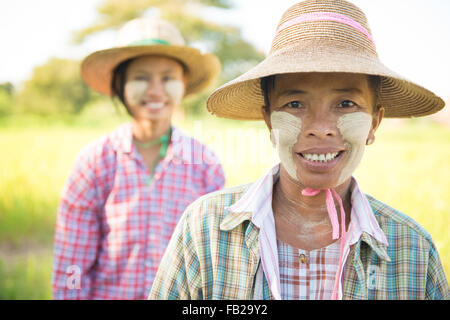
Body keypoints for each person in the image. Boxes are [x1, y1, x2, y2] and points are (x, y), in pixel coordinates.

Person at [149, 0, 449, 300]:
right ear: (269, 121)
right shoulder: (206, 229)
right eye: (294, 104)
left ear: (374, 122)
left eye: (346, 104)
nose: (320, 127)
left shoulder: (412, 249)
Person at [52, 17, 225, 300]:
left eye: (167, 78)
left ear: (182, 84)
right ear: (120, 85)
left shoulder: (204, 164)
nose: (155, 90)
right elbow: (72, 262)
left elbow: (213, 261)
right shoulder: (95, 162)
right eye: (141, 78)